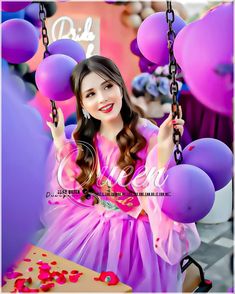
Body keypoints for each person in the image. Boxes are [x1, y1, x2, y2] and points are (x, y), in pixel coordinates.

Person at [38, 55, 201, 292]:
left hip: (138, 237)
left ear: (119, 86)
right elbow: (72, 180)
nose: (103, 98)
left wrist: (163, 151)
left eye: (107, 86)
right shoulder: (85, 138)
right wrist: (58, 139)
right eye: (91, 94)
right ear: (82, 103)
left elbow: (160, 191)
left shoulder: (147, 134)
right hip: (93, 226)